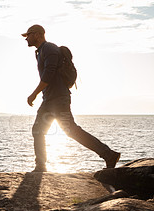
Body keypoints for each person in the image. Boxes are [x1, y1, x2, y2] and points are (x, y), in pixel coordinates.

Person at [22, 24, 120, 172]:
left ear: (37, 34)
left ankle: (108, 154)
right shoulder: (41, 51)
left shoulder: (49, 48)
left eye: (28, 35)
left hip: (58, 100)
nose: (26, 39)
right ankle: (41, 166)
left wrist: (33, 94)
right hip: (50, 100)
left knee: (70, 130)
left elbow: (48, 75)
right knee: (39, 130)